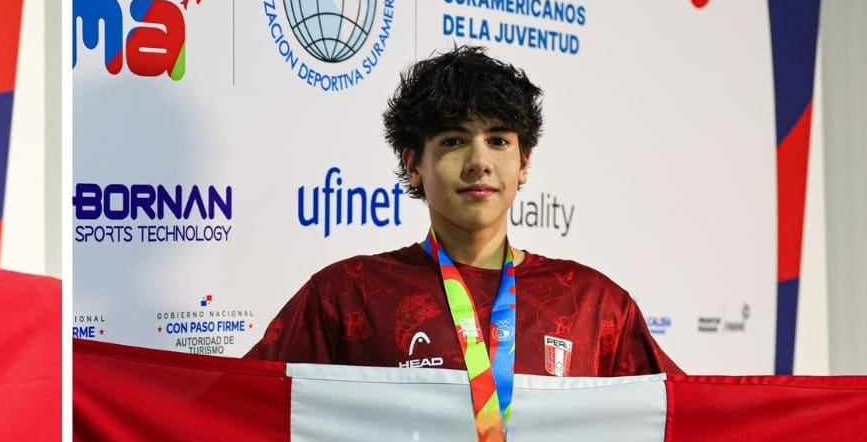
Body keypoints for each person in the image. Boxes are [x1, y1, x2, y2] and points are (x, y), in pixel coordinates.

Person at [244, 46, 681, 378]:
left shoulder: (595, 306)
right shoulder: (345, 297)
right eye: (453, 141)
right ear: (413, 165)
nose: (479, 162)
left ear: (524, 163)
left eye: (498, 141)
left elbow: (686, 425)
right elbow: (238, 411)